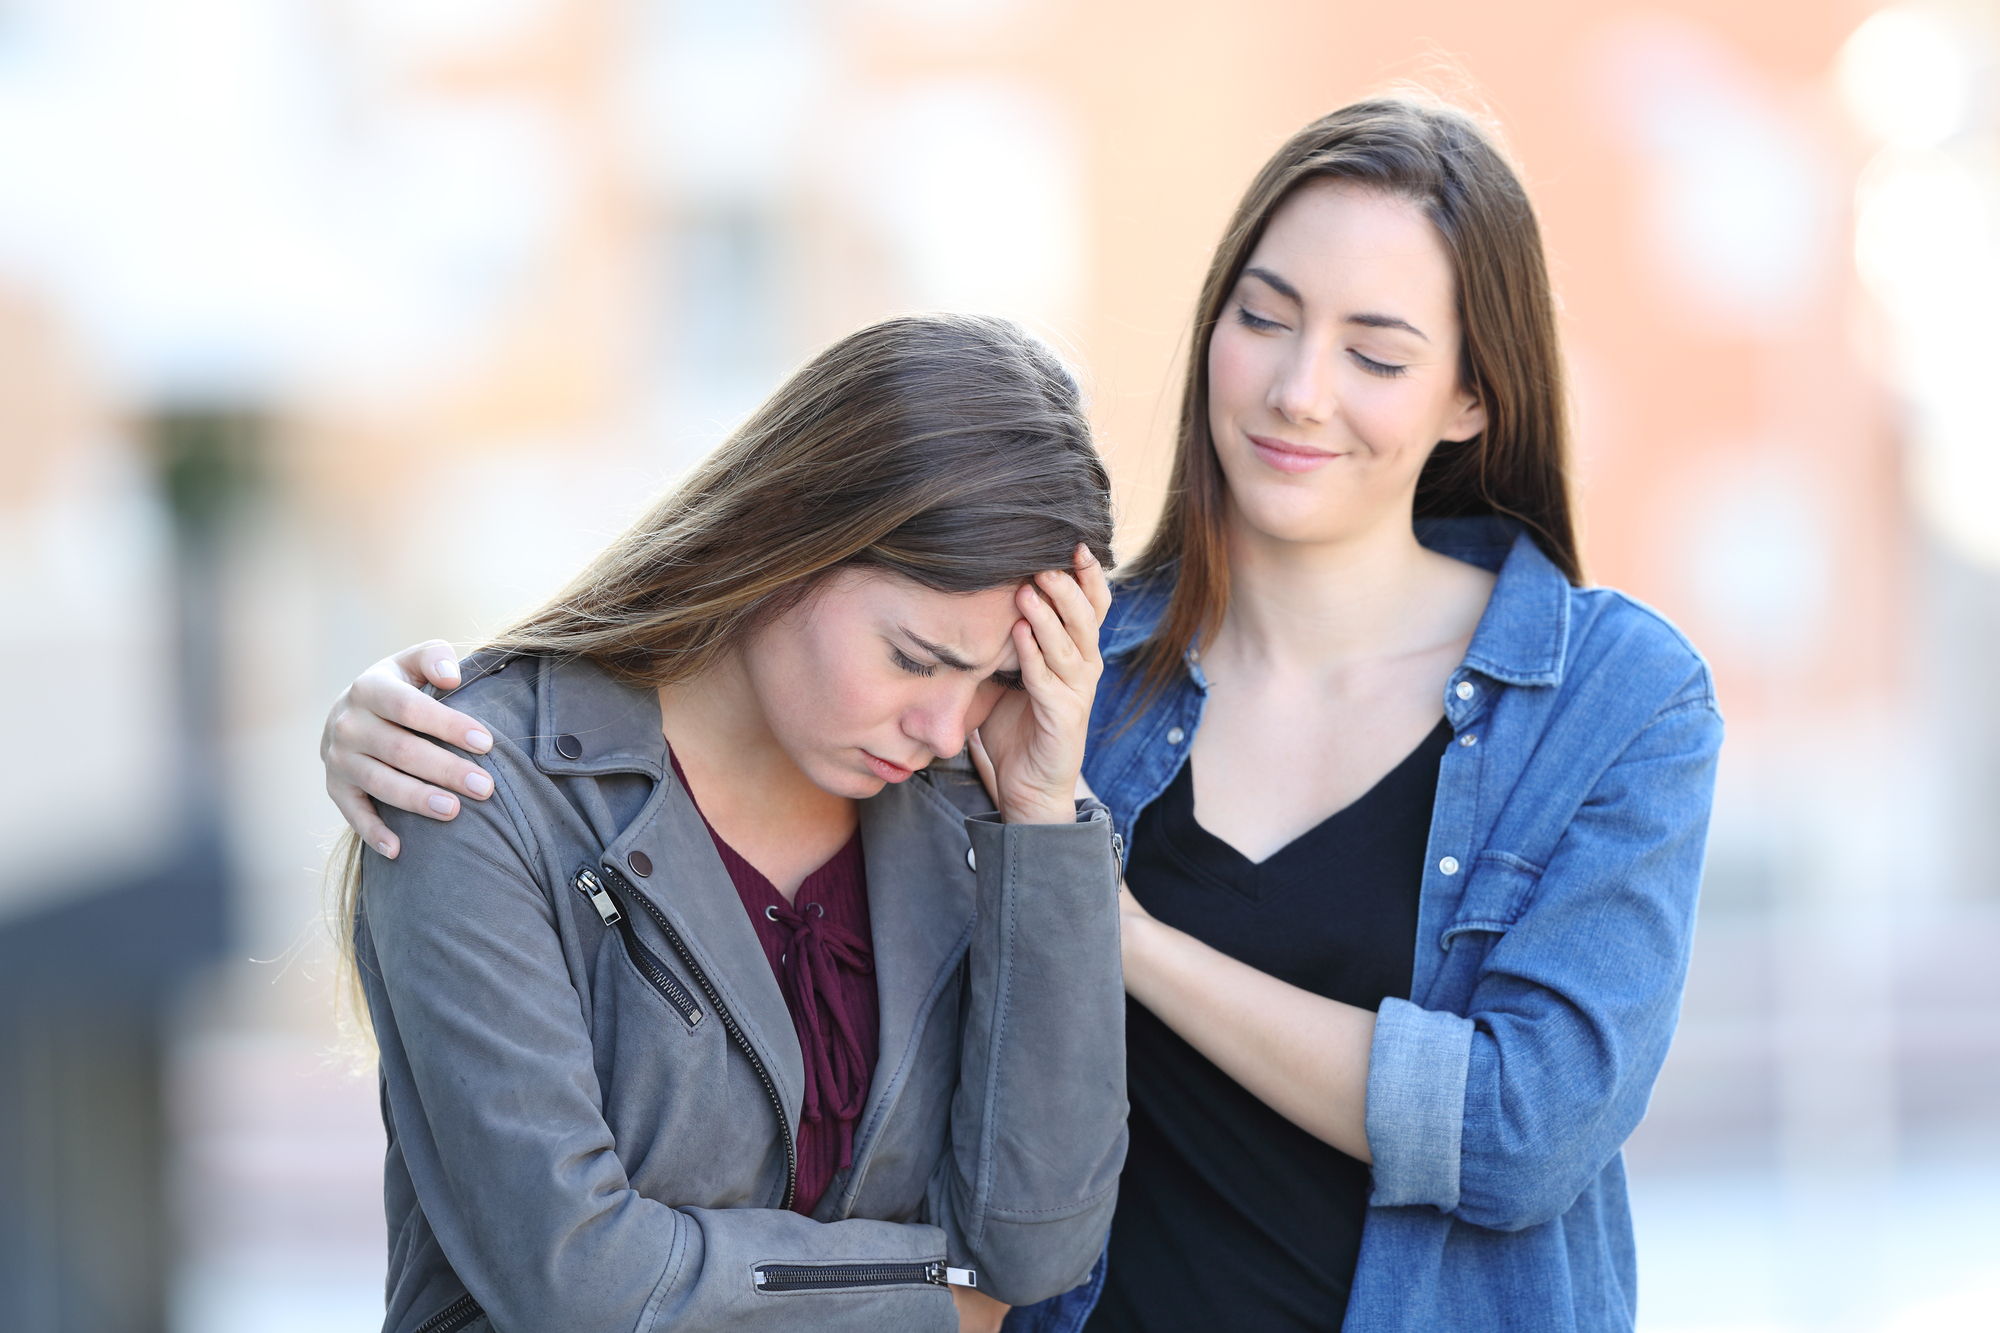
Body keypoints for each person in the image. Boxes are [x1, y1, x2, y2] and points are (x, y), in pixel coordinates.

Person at [325, 98, 1722, 1333]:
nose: (1300, 390)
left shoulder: (1605, 702)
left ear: (1474, 391)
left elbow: (1521, 1127)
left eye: (1377, 349)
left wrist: (1109, 923)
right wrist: (400, 721)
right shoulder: (1061, 662)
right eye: (1264, 316)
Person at [324, 312, 1128, 1333]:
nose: (941, 724)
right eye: (915, 657)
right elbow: (581, 1281)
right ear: (785, 539)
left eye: (999, 676)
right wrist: (937, 1300)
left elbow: (1033, 1245)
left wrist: (1043, 829)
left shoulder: (977, 807)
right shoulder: (471, 783)